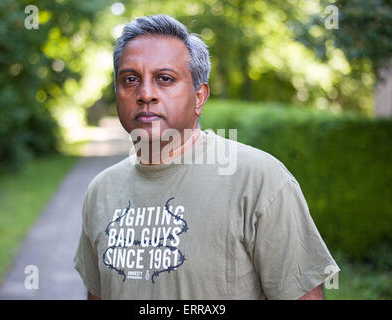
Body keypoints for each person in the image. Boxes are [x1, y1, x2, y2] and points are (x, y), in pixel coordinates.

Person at [74, 14, 339, 300]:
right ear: (117, 93)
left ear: (199, 97)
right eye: (130, 80)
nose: (146, 93)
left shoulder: (259, 180)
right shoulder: (101, 191)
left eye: (165, 79)